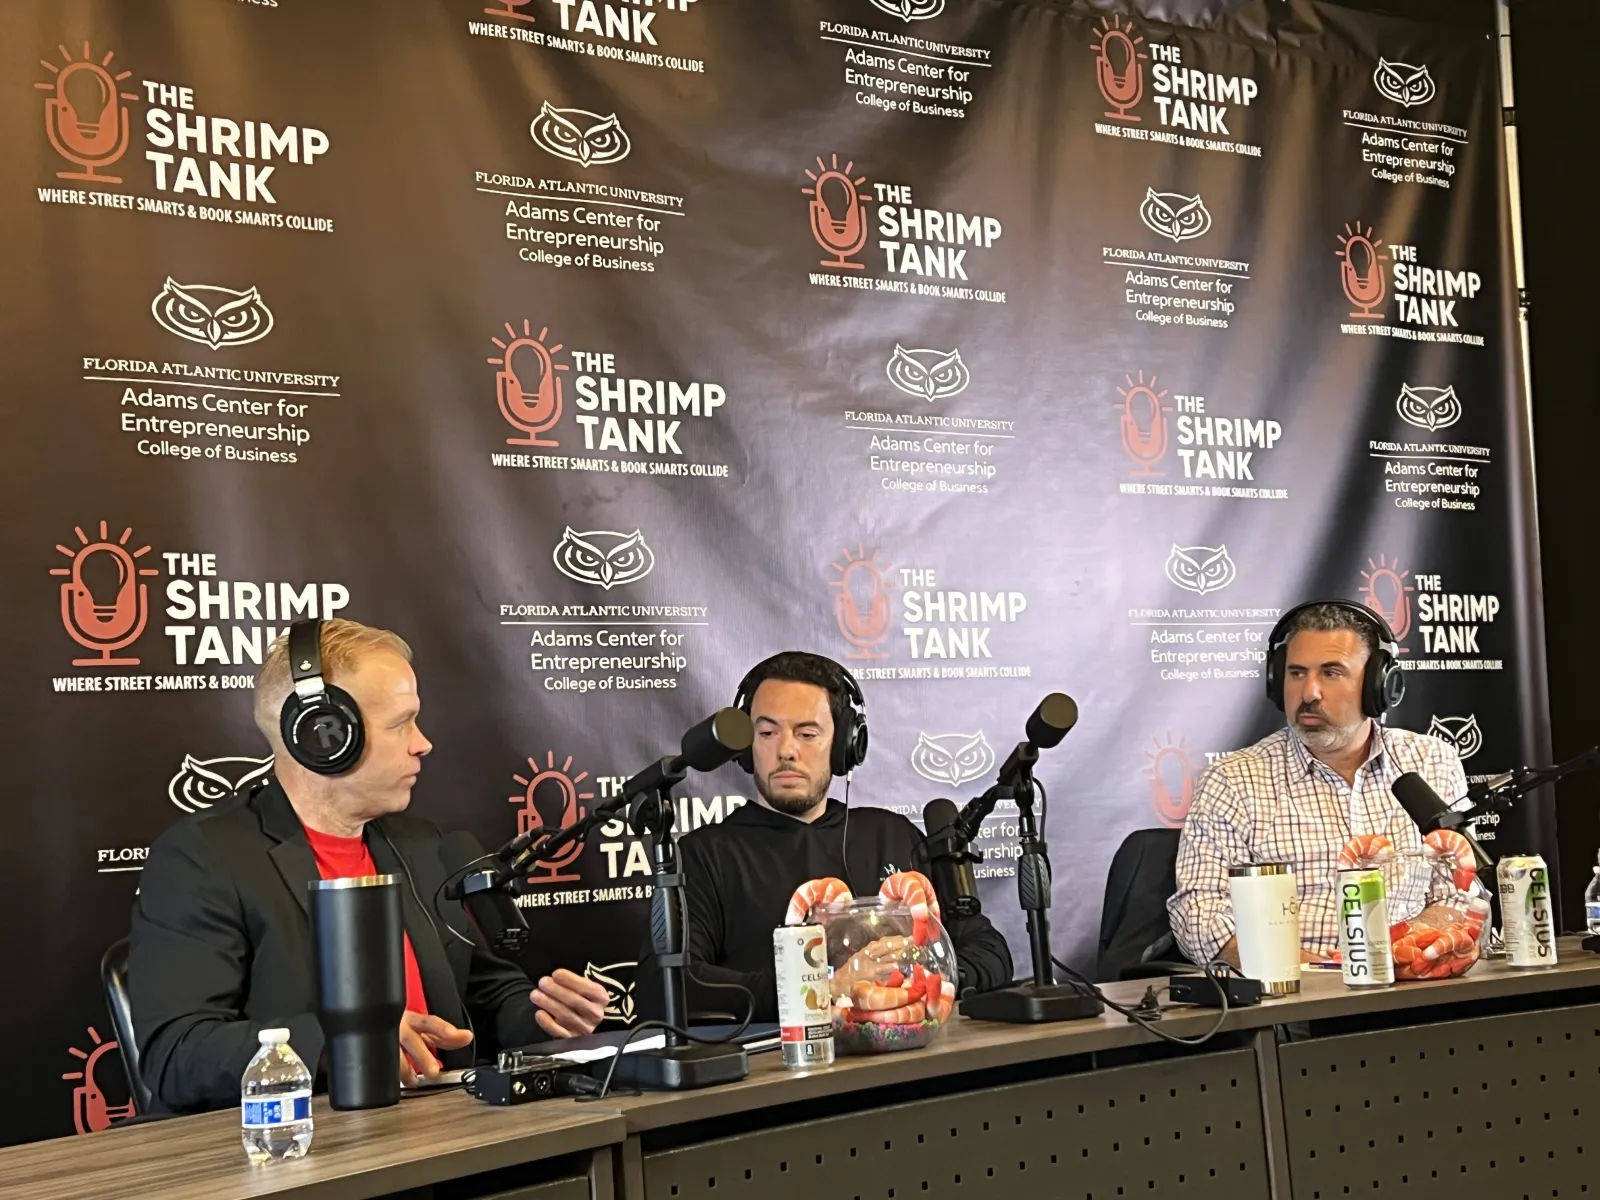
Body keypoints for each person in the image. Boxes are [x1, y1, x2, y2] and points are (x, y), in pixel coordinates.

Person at [129, 618, 609, 1113]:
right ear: (324, 735)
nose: (422, 743)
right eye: (401, 722)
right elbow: (177, 1055)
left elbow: (480, 994)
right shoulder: (204, 857)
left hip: (449, 1136)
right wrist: (349, 1040)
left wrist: (542, 1018)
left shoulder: (420, 844)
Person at [639, 651, 1013, 1022]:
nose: (786, 750)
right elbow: (666, 986)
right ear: (746, 749)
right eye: (767, 733)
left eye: (807, 733)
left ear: (842, 746)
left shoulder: (892, 835)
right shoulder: (705, 857)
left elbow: (988, 950)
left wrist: (920, 981)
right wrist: (826, 988)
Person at [1167, 601, 1477, 970]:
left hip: (1415, 986)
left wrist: (1418, 947)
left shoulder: (1430, 762)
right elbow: (1200, 918)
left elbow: (1459, 890)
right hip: (1295, 1004)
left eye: (1331, 673)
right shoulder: (1234, 781)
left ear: (1379, 685)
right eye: (1297, 673)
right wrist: (1319, 973)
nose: (1309, 692)